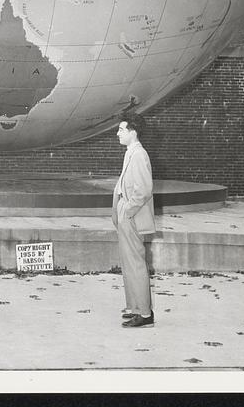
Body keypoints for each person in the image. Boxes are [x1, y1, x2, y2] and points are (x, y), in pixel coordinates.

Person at [111, 117, 156, 328]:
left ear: (133, 132)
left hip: (132, 216)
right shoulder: (131, 153)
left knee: (136, 264)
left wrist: (127, 210)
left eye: (121, 129)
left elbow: (144, 190)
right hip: (126, 213)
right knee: (129, 263)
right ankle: (134, 308)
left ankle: (145, 314)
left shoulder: (139, 155)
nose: (118, 133)